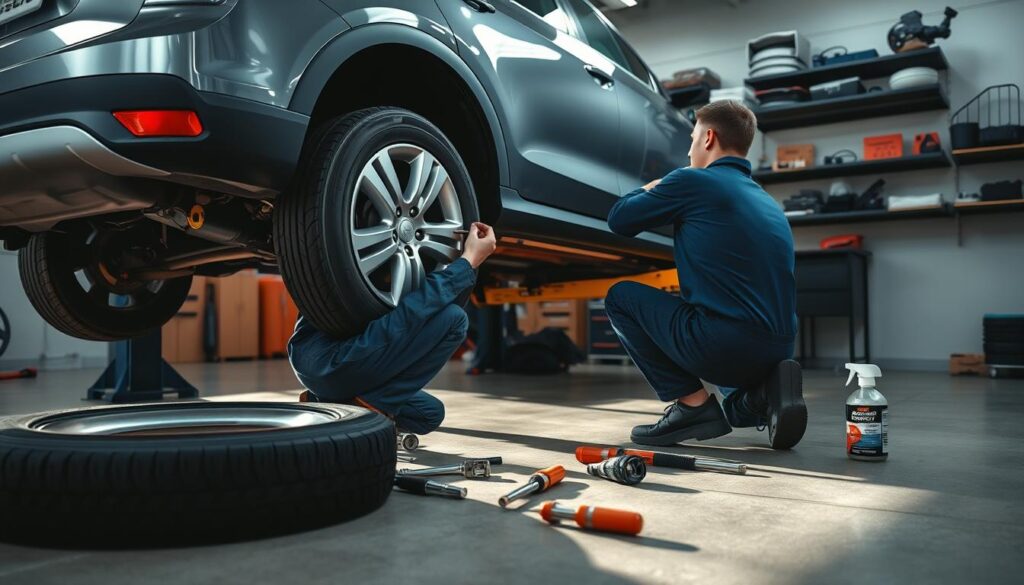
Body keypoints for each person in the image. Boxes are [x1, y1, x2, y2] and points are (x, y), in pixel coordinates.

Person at [605, 100, 806, 450]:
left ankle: (691, 406)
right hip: (780, 347)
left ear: (709, 137)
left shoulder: (690, 181)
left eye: (693, 138)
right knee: (721, 318)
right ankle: (755, 400)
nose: (688, 149)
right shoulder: (768, 202)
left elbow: (619, 219)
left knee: (620, 297)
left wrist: (651, 188)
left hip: (726, 347)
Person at [288, 222, 498, 434]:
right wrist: (469, 259)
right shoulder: (361, 269)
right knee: (454, 320)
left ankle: (328, 400)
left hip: (310, 365)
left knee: (430, 413)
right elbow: (412, 313)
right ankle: (369, 405)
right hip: (332, 362)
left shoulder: (341, 257)